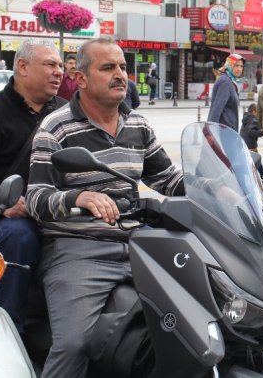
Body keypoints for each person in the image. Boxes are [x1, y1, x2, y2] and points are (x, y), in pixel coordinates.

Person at [26, 38, 184, 377]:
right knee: (73, 344)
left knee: (190, 325)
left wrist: (218, 189)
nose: (121, 76)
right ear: (80, 79)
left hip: (139, 244)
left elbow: (168, 179)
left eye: (123, 68)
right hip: (79, 249)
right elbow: (37, 199)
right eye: (108, 68)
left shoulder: (138, 125)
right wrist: (78, 198)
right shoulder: (56, 127)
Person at [0, 38, 67, 335]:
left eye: (60, 65)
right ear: (22, 67)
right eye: (49, 65)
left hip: (59, 209)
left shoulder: (67, 113)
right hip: (12, 215)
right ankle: (11, 331)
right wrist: (2, 202)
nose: (59, 72)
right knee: (20, 238)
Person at [207, 53, 244, 131]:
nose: (239, 69)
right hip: (223, 130)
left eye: (241, 66)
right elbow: (217, 108)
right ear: (229, 65)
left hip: (227, 129)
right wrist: (212, 131)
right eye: (236, 65)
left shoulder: (230, 80)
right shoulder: (225, 81)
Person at [240, 103, 263, 179]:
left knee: (254, 160)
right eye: (258, 112)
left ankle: (262, 174)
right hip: (250, 145)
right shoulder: (252, 120)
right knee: (256, 160)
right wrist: (262, 131)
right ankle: (262, 175)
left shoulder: (247, 118)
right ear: (254, 112)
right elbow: (251, 132)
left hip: (246, 144)